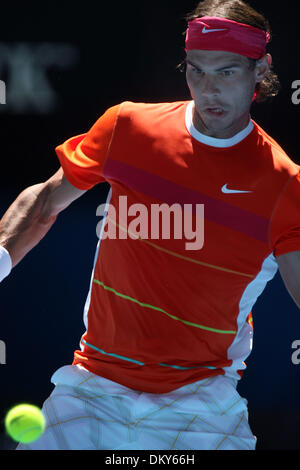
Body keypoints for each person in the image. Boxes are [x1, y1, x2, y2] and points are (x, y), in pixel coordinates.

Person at [1, 0, 300, 450]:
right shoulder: (128, 127)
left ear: (261, 70)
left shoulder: (283, 185)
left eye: (227, 71)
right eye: (196, 69)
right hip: (91, 389)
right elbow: (44, 202)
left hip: (203, 407)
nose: (208, 89)